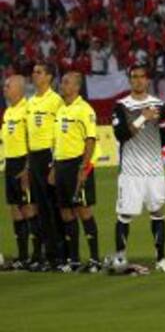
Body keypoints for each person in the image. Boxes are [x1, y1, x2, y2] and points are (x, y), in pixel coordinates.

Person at [111, 64, 165, 272]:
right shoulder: (121, 106)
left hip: (154, 171)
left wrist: (151, 147)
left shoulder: (159, 105)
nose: (138, 80)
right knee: (125, 215)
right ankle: (120, 260)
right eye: (134, 77)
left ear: (147, 80)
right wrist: (142, 118)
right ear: (130, 80)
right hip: (131, 171)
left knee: (157, 212)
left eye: (142, 77)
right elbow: (121, 135)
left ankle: (161, 259)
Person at [52, 71, 102, 272]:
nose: (62, 85)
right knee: (65, 212)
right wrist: (54, 167)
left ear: (76, 87)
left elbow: (90, 139)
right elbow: (58, 141)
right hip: (61, 165)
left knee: (83, 210)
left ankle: (95, 259)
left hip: (77, 165)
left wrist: (84, 166)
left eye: (66, 82)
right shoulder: (61, 109)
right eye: (62, 82)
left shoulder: (85, 109)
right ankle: (73, 260)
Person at [26, 62, 64, 268]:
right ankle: (48, 254)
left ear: (49, 77)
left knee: (53, 206)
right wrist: (27, 164)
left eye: (39, 72)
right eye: (33, 72)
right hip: (34, 157)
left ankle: (61, 254)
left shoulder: (56, 100)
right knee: (40, 207)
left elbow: (61, 133)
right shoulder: (30, 101)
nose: (34, 75)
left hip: (49, 156)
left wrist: (55, 164)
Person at [3, 74, 43, 271]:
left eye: (8, 86)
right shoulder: (8, 111)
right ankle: (22, 256)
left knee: (29, 209)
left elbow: (31, 140)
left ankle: (37, 255)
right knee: (15, 210)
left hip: (22, 163)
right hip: (10, 163)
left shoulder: (27, 110)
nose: (4, 89)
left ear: (19, 89)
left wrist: (27, 168)